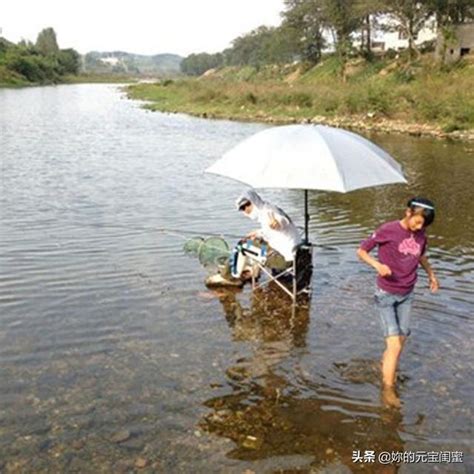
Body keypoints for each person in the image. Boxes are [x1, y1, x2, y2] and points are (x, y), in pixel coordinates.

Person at [357, 197, 439, 395]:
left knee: (400, 343)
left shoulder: (421, 235)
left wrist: (431, 275)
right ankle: (388, 393)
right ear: (408, 213)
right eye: (418, 222)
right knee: (394, 345)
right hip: (386, 293)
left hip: (407, 294)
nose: (420, 227)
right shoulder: (388, 229)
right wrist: (377, 265)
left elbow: (420, 256)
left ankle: (385, 366)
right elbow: (361, 250)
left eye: (424, 225)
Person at [206, 190, 301, 287]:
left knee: (242, 246)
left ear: (254, 202)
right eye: (242, 208)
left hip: (284, 260)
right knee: (255, 241)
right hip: (296, 256)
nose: (245, 209)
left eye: (247, 205)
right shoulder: (267, 209)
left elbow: (282, 221)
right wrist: (257, 233)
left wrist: (277, 224)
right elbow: (271, 231)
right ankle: (253, 272)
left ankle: (228, 277)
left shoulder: (270, 212)